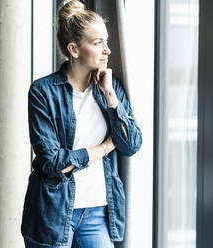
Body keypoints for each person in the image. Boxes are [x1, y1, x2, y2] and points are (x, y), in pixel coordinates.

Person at [20, 0, 142, 247]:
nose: (107, 50)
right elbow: (52, 163)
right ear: (74, 49)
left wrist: (110, 95)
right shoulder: (43, 92)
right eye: (98, 43)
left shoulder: (111, 85)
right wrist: (106, 147)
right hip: (51, 214)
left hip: (97, 211)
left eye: (106, 42)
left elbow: (131, 145)